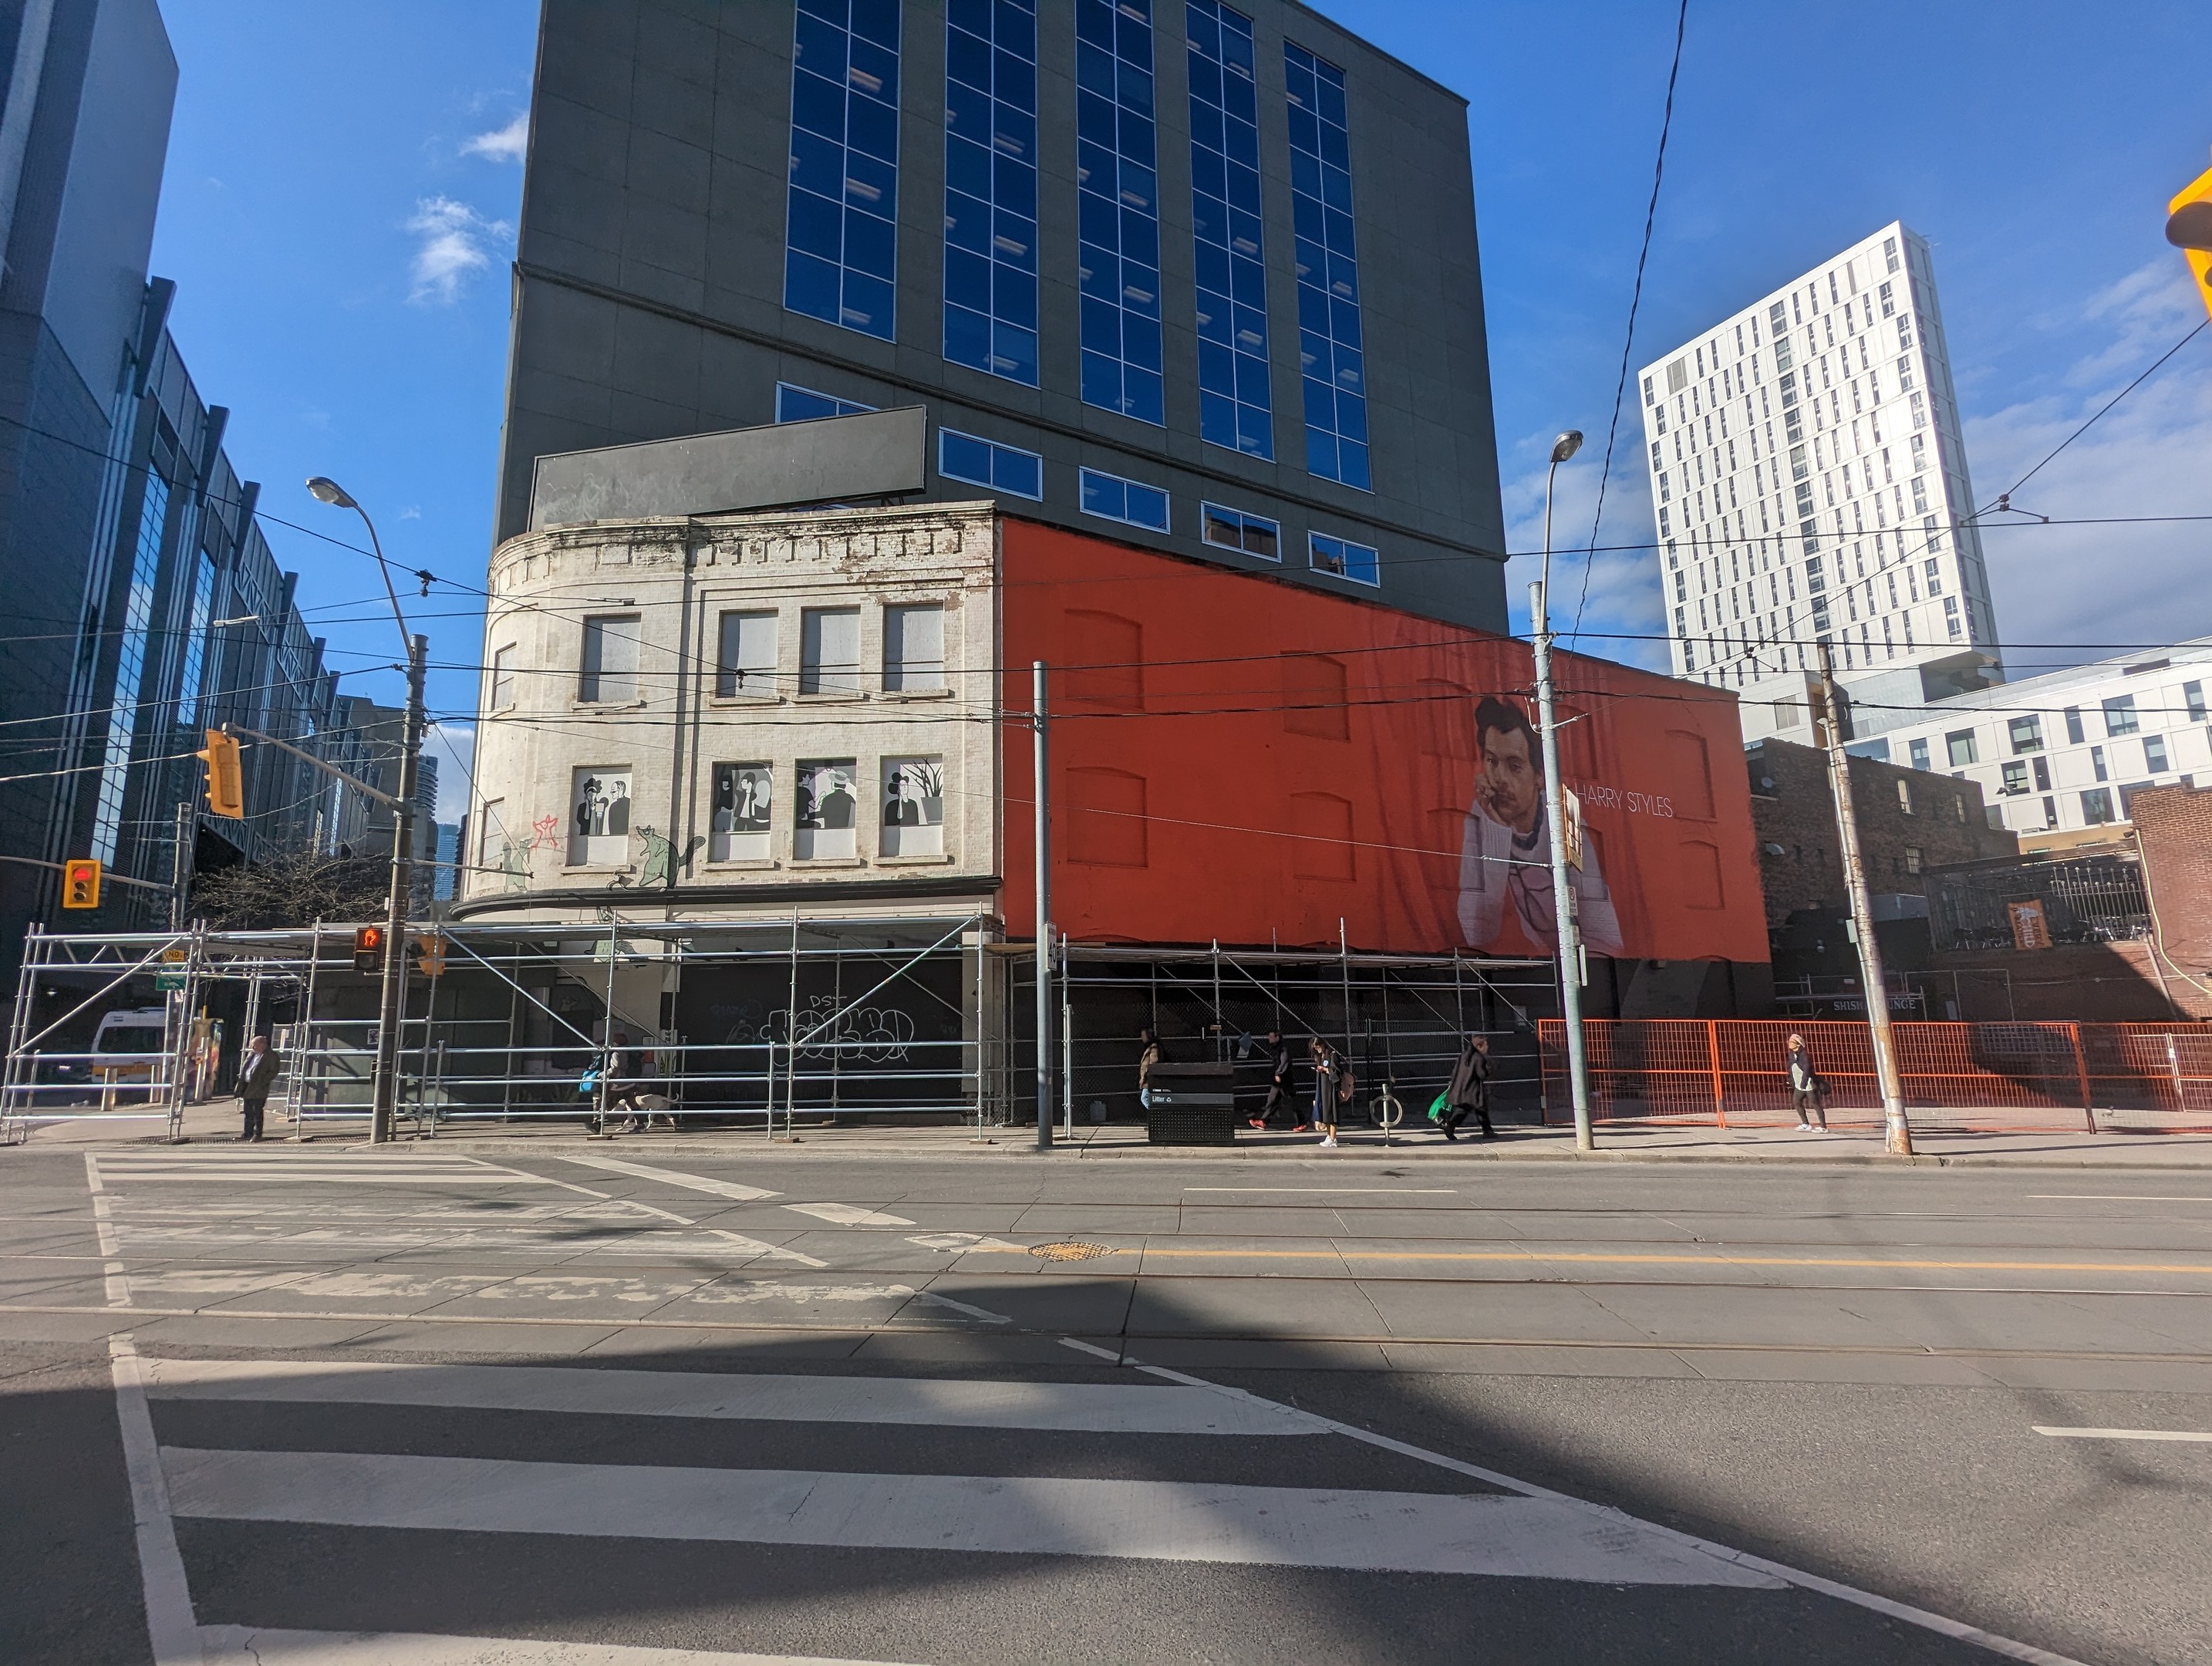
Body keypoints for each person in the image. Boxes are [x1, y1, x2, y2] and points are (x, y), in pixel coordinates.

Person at [1458, 695, 1624, 956]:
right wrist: (1497, 827)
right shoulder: (1482, 817)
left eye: (1514, 766)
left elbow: (1606, 935)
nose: (1499, 778)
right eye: (1491, 761)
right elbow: (1478, 932)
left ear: (1539, 775)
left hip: (1582, 970)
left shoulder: (1566, 816)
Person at [1442, 1034, 1495, 1141]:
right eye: (1486, 1045)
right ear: (1480, 1046)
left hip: (1461, 1088)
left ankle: (1487, 1130)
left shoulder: (1464, 1055)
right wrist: (1489, 1069)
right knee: (1466, 1109)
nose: (1487, 1047)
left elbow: (1455, 1072)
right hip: (1472, 1090)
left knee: (1480, 1109)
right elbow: (1482, 1074)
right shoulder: (1478, 1058)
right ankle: (1450, 1126)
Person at [235, 1034, 280, 1142]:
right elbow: (246, 1067)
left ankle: (258, 1134)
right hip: (247, 1085)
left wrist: (263, 1081)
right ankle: (247, 1133)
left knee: (257, 1112)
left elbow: (273, 1071)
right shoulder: (252, 1054)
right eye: (252, 1046)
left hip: (259, 1088)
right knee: (248, 1111)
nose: (253, 1048)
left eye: (255, 1045)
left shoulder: (271, 1056)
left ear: (263, 1045)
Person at [1249, 1029, 1294, 1131]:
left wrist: (1279, 1073)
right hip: (1279, 1080)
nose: (1269, 1039)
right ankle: (1263, 1121)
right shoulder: (1277, 1048)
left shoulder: (1283, 1048)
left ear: (1277, 1037)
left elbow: (1285, 1062)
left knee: (1290, 1101)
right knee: (1273, 1101)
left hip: (1283, 1079)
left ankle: (1302, 1121)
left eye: (1271, 1037)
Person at [1786, 1033, 1828, 1131]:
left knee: (1815, 1104)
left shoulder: (1804, 1055)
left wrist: (1804, 1082)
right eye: (1789, 1041)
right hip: (1799, 1085)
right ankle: (1806, 1124)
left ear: (1798, 1044)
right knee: (1797, 1102)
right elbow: (1791, 1069)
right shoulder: (1792, 1055)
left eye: (1792, 1042)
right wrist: (1790, 1081)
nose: (1789, 1043)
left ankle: (1823, 1127)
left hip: (1808, 1084)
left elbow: (1807, 1070)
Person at [1307, 1037, 1341, 1148]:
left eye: (1318, 1047)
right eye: (1315, 1048)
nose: (1317, 1050)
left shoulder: (1332, 1055)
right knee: (1325, 1112)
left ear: (1322, 1044)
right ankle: (1329, 1136)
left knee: (1332, 1112)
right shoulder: (1321, 1056)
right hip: (1323, 1087)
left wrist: (1326, 1070)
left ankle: (1333, 1138)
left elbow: (1337, 1071)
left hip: (1330, 1088)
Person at [1137, 1028, 1162, 1109]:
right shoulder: (1150, 1047)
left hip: (1150, 1079)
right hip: (1149, 1078)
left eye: (1144, 1036)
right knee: (1149, 1098)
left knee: (1145, 1098)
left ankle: (1156, 1114)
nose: (1142, 1038)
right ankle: (1156, 1114)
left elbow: (1153, 1061)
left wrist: (1146, 1074)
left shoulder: (1153, 1047)